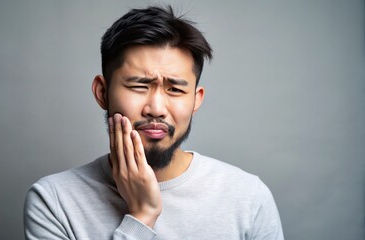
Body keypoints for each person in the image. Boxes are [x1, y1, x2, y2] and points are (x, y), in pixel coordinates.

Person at [24, 5, 284, 240]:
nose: (156, 109)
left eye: (175, 90)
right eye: (139, 85)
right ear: (102, 93)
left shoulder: (248, 198)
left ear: (196, 100)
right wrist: (142, 217)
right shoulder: (54, 201)